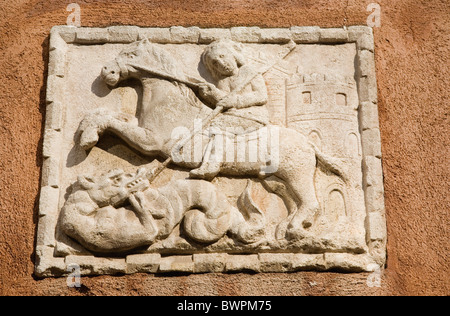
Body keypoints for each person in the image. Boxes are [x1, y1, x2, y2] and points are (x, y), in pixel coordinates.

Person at [189, 40, 269, 180]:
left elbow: (261, 96)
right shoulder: (223, 81)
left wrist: (237, 101)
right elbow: (223, 101)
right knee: (212, 124)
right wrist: (211, 94)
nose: (221, 63)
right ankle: (207, 162)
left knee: (219, 126)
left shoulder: (249, 71)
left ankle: (213, 164)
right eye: (214, 63)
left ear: (233, 55)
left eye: (222, 56)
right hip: (234, 115)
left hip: (254, 116)